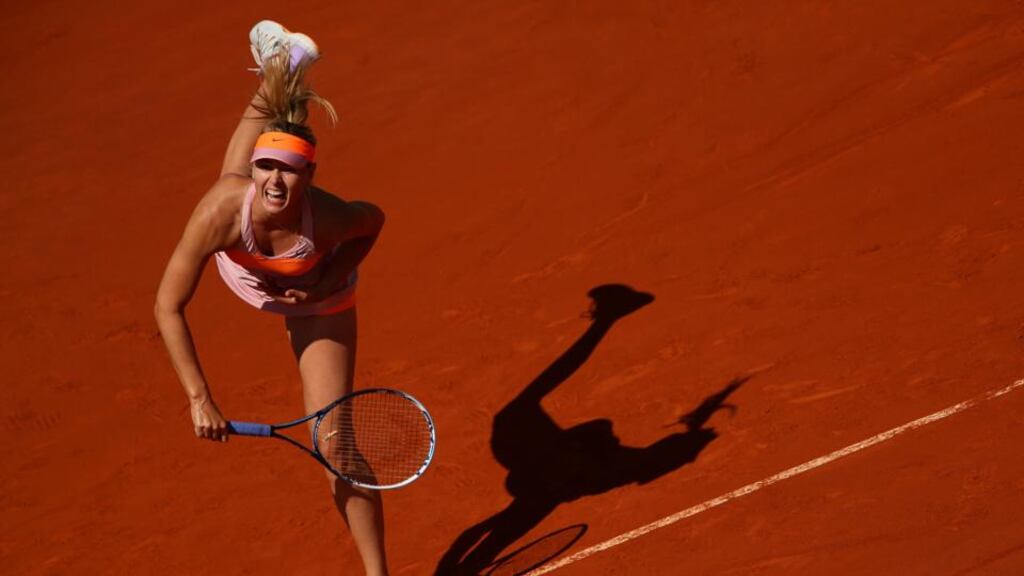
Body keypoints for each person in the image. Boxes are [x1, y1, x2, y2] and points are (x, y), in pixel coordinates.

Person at [153, 21, 388, 576]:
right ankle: (283, 65)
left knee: (333, 444)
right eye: (267, 167)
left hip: (314, 302)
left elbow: (374, 224)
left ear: (310, 175)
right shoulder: (222, 208)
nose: (275, 180)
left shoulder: (328, 217)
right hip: (245, 253)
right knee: (228, 179)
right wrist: (198, 397)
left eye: (288, 170)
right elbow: (168, 305)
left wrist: (330, 280)